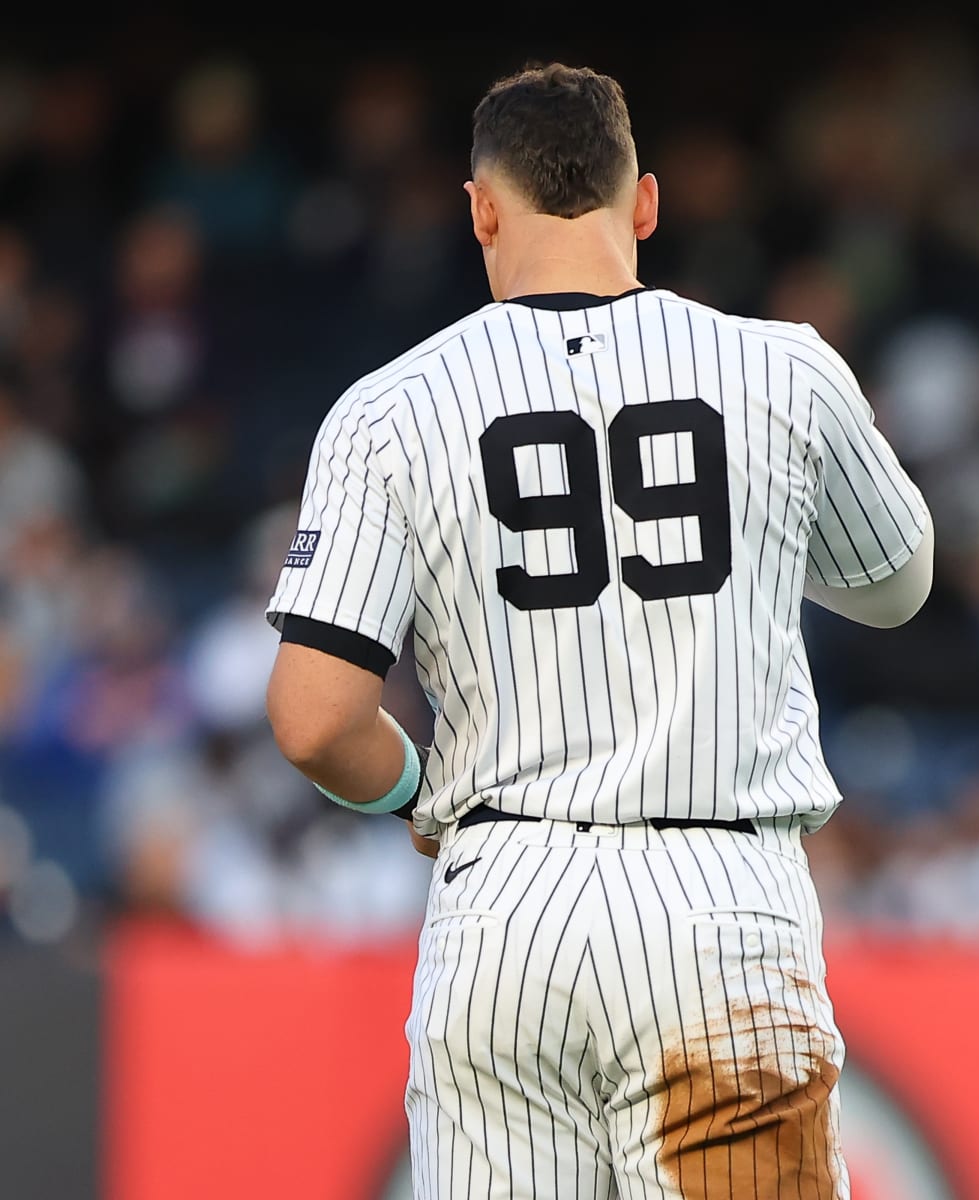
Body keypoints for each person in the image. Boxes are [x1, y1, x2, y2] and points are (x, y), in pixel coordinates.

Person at [264, 63, 932, 1198]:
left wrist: (413, 791)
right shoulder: (781, 366)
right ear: (648, 204)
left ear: (480, 208)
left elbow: (316, 720)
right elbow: (895, 584)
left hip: (503, 896)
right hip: (718, 901)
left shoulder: (392, 405)